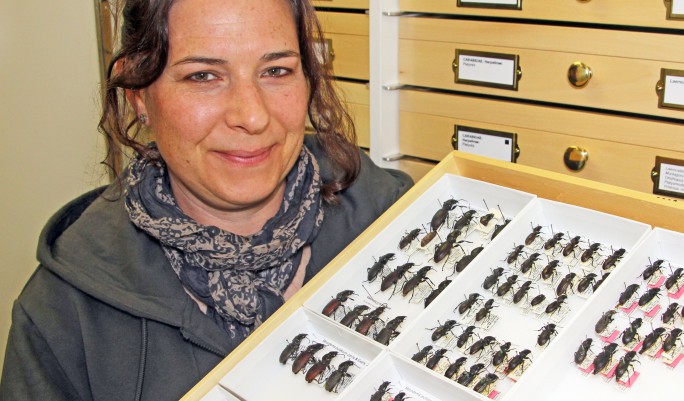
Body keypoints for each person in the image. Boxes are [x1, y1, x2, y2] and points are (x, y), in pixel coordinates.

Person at [0, 0, 412, 399]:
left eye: (276, 70)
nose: (252, 116)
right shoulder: (64, 314)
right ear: (139, 95)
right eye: (203, 76)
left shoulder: (396, 219)